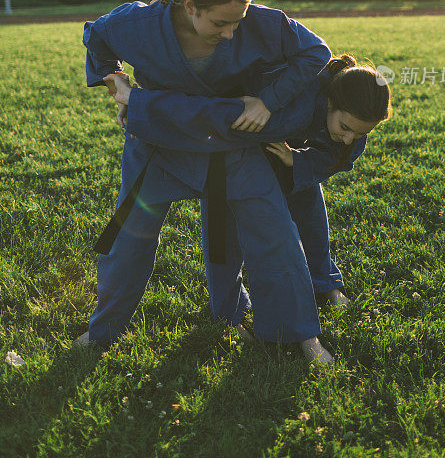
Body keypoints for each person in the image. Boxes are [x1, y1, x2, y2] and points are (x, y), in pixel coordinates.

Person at [76, 0, 335, 365]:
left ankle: (299, 334)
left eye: (239, 21)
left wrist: (269, 101)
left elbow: (315, 53)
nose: (232, 32)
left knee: (276, 235)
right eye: (220, 23)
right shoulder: (139, 24)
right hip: (158, 150)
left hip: (231, 148)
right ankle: (102, 330)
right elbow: (97, 35)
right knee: (128, 241)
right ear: (190, 5)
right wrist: (115, 82)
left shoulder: (259, 21)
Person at [103, 55, 392, 336]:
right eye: (345, 128)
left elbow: (339, 157)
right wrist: (135, 104)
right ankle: (229, 309)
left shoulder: (351, 121)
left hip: (294, 159)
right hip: (241, 152)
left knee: (310, 218)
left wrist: (298, 161)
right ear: (331, 101)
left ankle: (325, 282)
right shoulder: (296, 87)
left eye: (359, 133)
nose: (349, 138)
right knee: (223, 228)